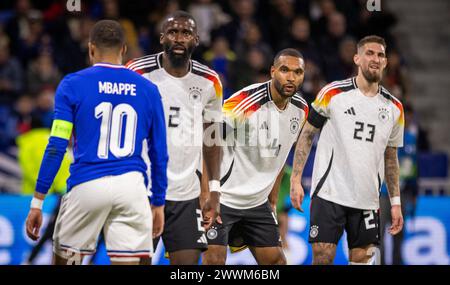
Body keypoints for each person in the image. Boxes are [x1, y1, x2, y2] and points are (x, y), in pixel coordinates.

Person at [25, 20, 168, 265]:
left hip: (86, 186)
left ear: (91, 49)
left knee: (65, 261)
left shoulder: (72, 84)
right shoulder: (148, 89)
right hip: (131, 188)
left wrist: (37, 201)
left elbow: (57, 146)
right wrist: (158, 202)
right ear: (124, 49)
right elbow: (159, 152)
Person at [290, 35, 404, 265]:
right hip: (330, 193)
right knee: (323, 256)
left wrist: (395, 202)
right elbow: (306, 134)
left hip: (368, 198)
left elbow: (391, 158)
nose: (375, 58)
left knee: (362, 259)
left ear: (385, 62)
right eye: (369, 53)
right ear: (357, 58)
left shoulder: (394, 108)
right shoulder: (333, 93)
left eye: (380, 54)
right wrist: (296, 179)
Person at [126, 11, 222, 265]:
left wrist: (212, 189)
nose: (179, 38)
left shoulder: (209, 81)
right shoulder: (136, 72)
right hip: (142, 190)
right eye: (173, 32)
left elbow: (211, 139)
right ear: (161, 38)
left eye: (186, 33)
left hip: (186, 195)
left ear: (196, 40)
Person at [202, 48, 309, 265]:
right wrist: (207, 192)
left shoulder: (301, 109)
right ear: (272, 71)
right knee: (214, 261)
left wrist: (274, 197)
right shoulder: (244, 102)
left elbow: (283, 153)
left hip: (257, 203)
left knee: (277, 262)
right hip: (225, 197)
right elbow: (208, 141)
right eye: (284, 70)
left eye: (297, 72)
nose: (291, 77)